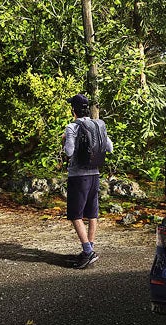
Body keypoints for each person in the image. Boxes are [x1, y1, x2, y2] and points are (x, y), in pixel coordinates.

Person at [63, 94, 113, 269]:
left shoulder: (72, 127)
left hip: (78, 176)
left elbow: (69, 152)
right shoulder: (98, 124)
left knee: (75, 215)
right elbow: (110, 147)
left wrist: (64, 141)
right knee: (92, 213)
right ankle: (90, 248)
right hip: (95, 175)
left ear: (73, 110)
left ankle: (87, 251)